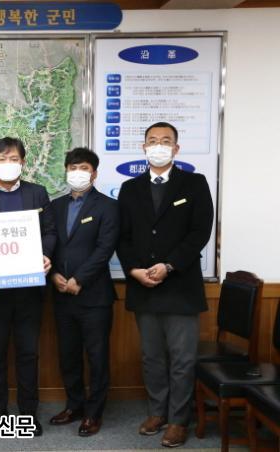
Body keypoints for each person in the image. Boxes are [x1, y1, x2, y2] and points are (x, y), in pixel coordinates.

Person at [117, 122, 214, 448]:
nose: (158, 145)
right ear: (144, 147)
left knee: (182, 360)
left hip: (181, 287)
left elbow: (200, 232)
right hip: (143, 285)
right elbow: (123, 236)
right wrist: (134, 270)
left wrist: (169, 265)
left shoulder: (194, 183)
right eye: (153, 141)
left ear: (176, 148)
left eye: (166, 141)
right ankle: (157, 412)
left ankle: (178, 420)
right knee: (152, 357)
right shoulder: (130, 188)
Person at [0, 137, 56, 437]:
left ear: (23, 162)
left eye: (14, 159)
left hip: (29, 290)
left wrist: (46, 255)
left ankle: (28, 414)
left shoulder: (37, 193)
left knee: (28, 353)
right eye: (2, 159)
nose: (8, 164)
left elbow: (50, 232)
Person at [47, 147, 119, 437]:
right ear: (66, 171)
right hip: (61, 294)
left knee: (97, 357)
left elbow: (105, 249)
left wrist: (79, 279)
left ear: (94, 173)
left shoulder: (108, 206)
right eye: (73, 168)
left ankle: (94, 413)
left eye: (84, 168)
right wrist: (53, 275)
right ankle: (74, 405)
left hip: (94, 297)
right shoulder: (55, 206)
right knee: (68, 355)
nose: (78, 173)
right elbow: (49, 244)